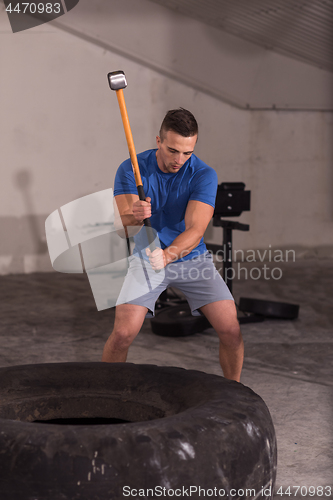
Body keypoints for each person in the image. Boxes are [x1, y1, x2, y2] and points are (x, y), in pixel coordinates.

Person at [102, 108, 244, 382]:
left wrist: (167, 256)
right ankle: (105, 393)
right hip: (145, 257)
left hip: (191, 258)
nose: (179, 160)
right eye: (172, 150)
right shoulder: (132, 167)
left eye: (187, 152)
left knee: (231, 330)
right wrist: (135, 214)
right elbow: (123, 226)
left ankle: (234, 392)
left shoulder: (203, 174)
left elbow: (196, 228)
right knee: (122, 335)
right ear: (158, 141)